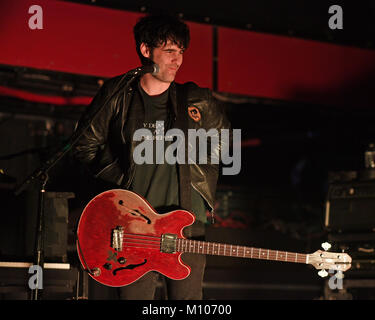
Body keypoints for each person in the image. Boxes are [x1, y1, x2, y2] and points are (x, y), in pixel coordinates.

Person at [73, 13, 230, 300]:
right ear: (146, 50)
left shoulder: (198, 100)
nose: (177, 59)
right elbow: (84, 145)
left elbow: (223, 143)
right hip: (133, 228)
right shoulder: (118, 94)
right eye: (169, 50)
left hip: (186, 224)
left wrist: (199, 173)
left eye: (181, 51)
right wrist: (121, 184)